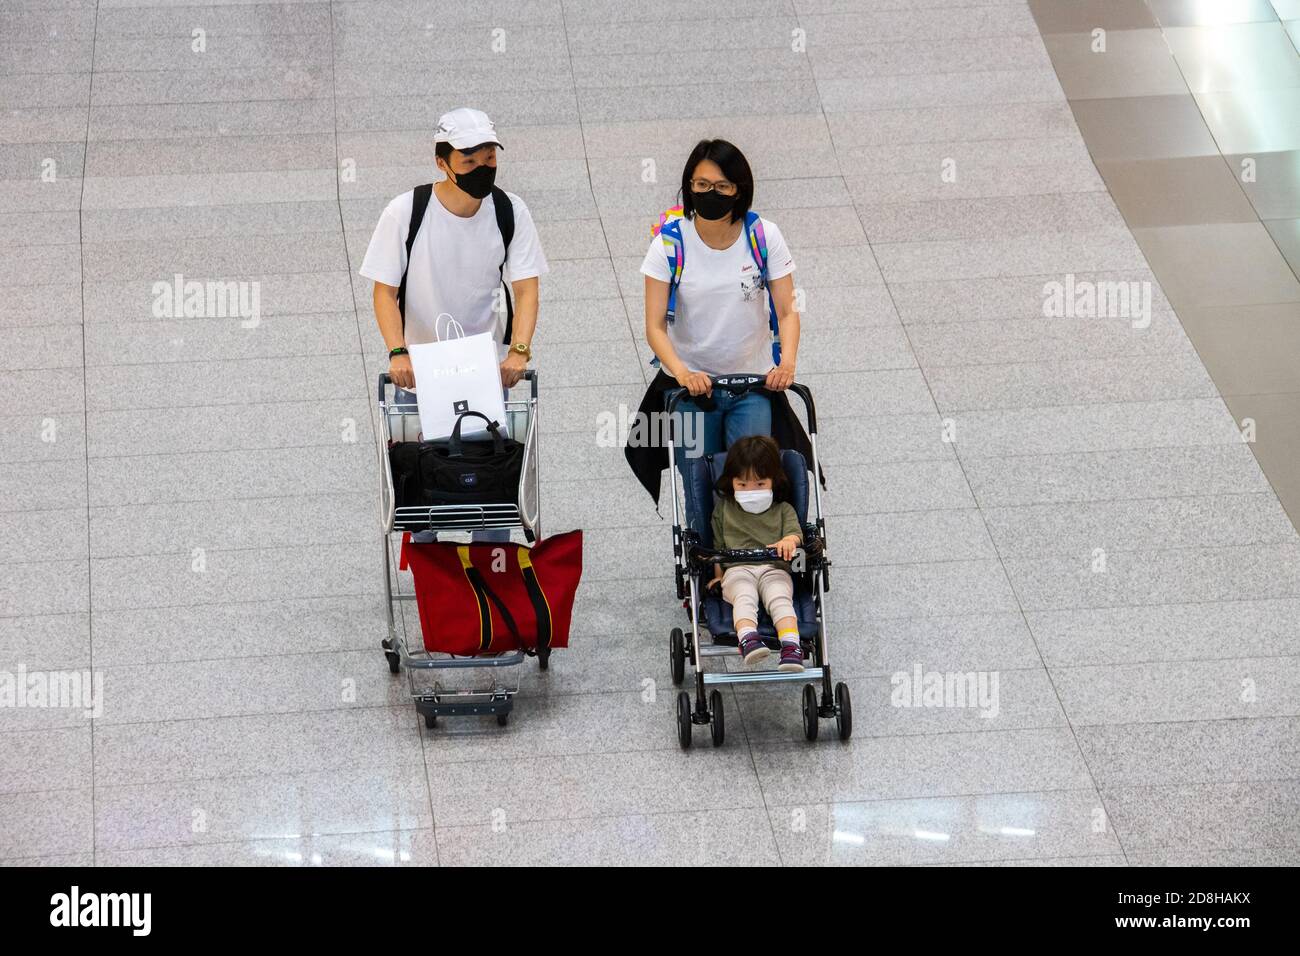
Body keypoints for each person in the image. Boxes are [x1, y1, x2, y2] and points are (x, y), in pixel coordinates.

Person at [360, 107, 548, 541]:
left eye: (489, 159)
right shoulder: (406, 211)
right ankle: (436, 589)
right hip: (418, 375)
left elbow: (527, 289)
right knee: (421, 500)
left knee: (494, 493)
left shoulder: (509, 211)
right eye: (469, 161)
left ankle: (488, 589)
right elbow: (384, 292)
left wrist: (519, 349)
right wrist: (397, 351)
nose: (482, 169)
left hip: (485, 371)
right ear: (442, 163)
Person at [625, 137, 821, 512]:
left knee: (752, 481)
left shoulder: (764, 237)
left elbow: (787, 310)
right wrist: (682, 373)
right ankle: (709, 565)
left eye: (721, 186)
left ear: (739, 190)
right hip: (690, 389)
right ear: (688, 187)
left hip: (752, 384)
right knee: (699, 481)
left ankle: (748, 559)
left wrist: (788, 363)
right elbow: (654, 326)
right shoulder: (669, 245)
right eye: (700, 185)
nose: (709, 193)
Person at [707, 436, 804, 671]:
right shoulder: (724, 510)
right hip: (737, 568)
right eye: (742, 485)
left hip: (774, 567)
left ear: (774, 481)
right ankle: (749, 639)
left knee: (780, 597)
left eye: (759, 484)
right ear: (732, 483)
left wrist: (788, 542)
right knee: (743, 595)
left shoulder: (783, 510)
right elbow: (718, 548)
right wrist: (718, 575)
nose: (750, 490)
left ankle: (791, 645)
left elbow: (795, 535)